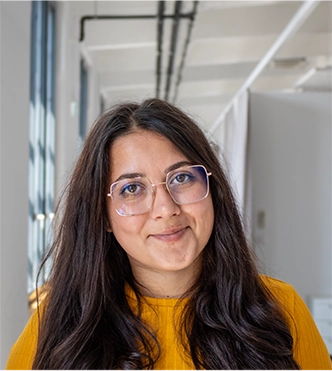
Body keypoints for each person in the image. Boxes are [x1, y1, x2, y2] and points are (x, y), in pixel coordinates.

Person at [6, 98, 331, 371]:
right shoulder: (58, 327)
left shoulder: (280, 308)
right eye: (132, 188)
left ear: (212, 190)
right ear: (102, 216)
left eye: (182, 178)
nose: (165, 209)